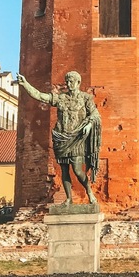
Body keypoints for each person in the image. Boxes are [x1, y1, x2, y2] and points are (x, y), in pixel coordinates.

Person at [17, 70, 101, 205]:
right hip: (61, 138)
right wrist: (25, 84)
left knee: (78, 170)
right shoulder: (61, 98)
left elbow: (95, 114)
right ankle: (68, 199)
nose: (69, 84)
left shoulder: (85, 98)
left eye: (71, 81)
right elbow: (40, 96)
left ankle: (89, 192)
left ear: (78, 82)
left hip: (77, 138)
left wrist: (89, 124)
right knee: (64, 170)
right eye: (67, 81)